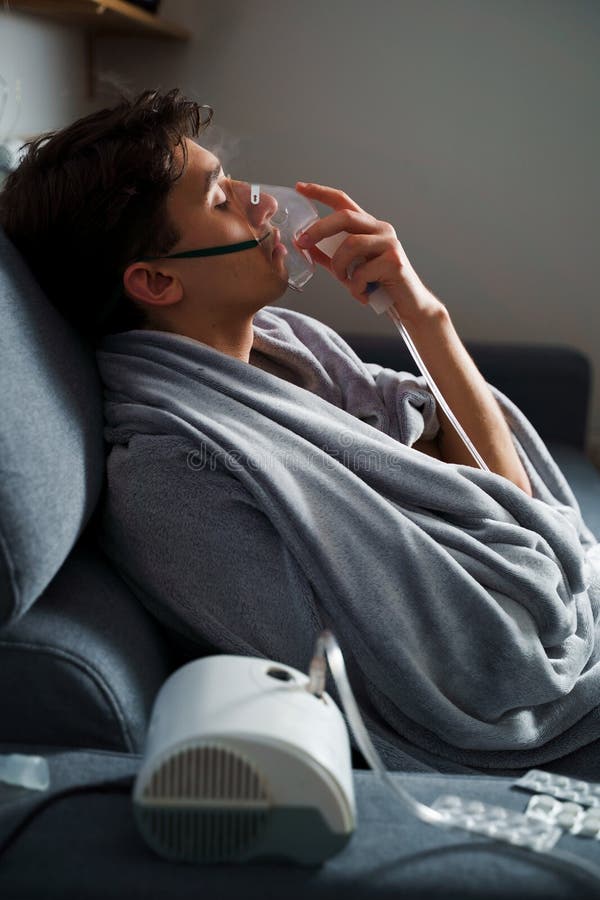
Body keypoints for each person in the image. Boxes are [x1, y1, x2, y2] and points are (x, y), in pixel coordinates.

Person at [2, 89, 599, 776]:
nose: (260, 201)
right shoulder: (176, 475)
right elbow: (501, 652)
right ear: (158, 281)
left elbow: (485, 490)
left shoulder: (284, 344)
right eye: (221, 200)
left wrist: (421, 311)